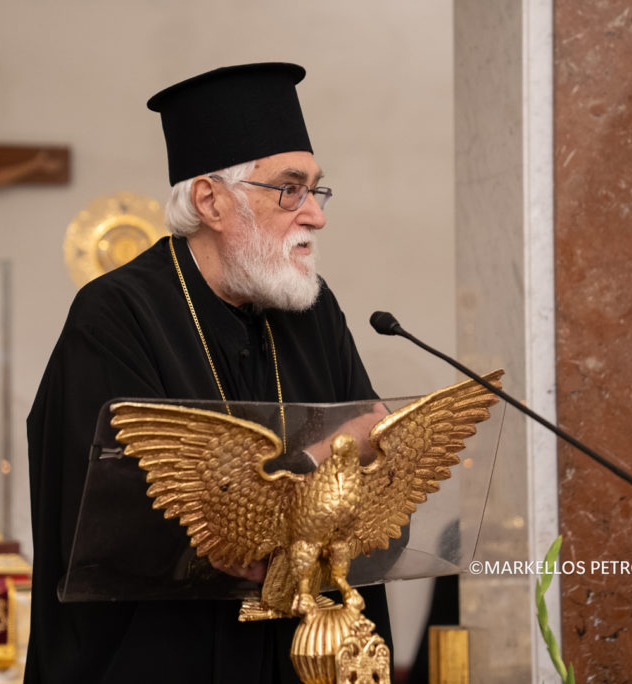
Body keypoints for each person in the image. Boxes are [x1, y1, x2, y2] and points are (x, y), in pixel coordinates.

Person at [25, 63, 392, 683]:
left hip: (300, 656)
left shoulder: (311, 310)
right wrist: (312, 464)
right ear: (210, 200)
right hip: (170, 660)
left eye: (315, 190)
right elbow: (107, 513)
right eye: (290, 190)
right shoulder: (117, 315)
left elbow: (375, 445)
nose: (315, 215)